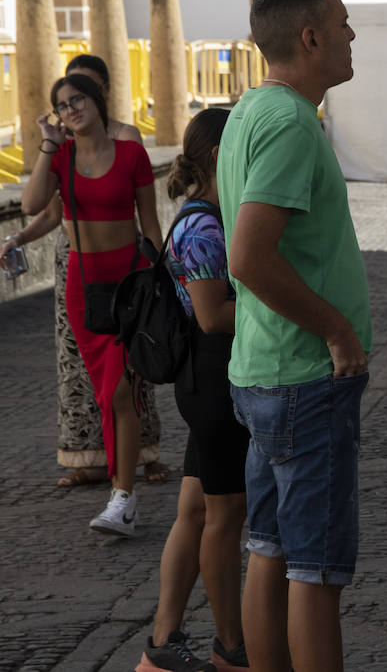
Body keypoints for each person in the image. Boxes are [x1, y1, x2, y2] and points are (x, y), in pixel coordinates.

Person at [218, 0, 371, 672]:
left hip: (265, 370)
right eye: (340, 24)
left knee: (271, 548)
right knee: (314, 567)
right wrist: (338, 329)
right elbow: (248, 256)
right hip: (303, 375)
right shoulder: (288, 123)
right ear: (310, 38)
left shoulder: (253, 110)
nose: (350, 34)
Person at [2, 54, 169, 488]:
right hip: (81, 276)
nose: (71, 108)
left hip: (128, 275)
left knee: (125, 383)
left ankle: (126, 483)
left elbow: (149, 223)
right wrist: (47, 144)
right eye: (62, 103)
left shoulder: (129, 146)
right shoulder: (60, 156)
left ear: (101, 96)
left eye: (79, 96)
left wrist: (162, 275)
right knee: (93, 381)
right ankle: (105, 465)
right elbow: (36, 207)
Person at [140, 107, 251, 672]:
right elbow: (211, 315)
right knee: (225, 514)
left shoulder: (202, 216)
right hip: (213, 378)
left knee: (193, 510)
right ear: (217, 157)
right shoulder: (205, 224)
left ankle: (162, 642)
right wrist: (275, 310)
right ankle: (231, 645)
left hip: (204, 378)